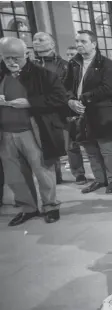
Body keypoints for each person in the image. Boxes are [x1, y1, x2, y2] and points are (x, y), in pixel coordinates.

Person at [0, 37, 67, 225]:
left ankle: (51, 206)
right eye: (7, 59)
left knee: (43, 171)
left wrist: (31, 103)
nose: (11, 62)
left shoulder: (42, 75)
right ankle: (28, 208)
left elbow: (59, 98)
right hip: (5, 133)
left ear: (26, 55)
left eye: (16, 58)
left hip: (32, 131)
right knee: (15, 175)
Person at [65, 30, 112, 194]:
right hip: (79, 112)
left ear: (94, 44)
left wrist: (82, 98)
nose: (79, 45)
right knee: (90, 149)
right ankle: (99, 180)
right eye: (77, 42)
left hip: (101, 111)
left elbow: (107, 88)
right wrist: (70, 101)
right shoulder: (73, 63)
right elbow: (66, 86)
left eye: (83, 41)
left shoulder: (106, 64)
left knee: (106, 149)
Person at [32, 31, 74, 185]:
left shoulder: (64, 66)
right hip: (36, 111)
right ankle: (50, 178)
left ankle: (58, 176)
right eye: (34, 39)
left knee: (59, 146)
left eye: (41, 39)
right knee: (40, 147)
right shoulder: (31, 65)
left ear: (51, 44)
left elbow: (65, 90)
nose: (36, 42)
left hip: (57, 112)